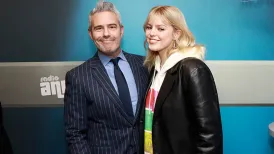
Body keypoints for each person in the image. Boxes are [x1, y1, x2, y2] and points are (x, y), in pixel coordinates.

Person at [64, 1, 148, 154]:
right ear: (90, 34)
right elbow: (75, 135)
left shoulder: (144, 65)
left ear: (121, 30)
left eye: (112, 26)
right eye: (99, 28)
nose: (106, 33)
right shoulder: (78, 77)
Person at [139, 5, 223, 154]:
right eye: (149, 27)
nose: (151, 33)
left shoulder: (193, 68)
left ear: (176, 33)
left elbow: (209, 136)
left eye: (160, 28)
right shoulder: (154, 69)